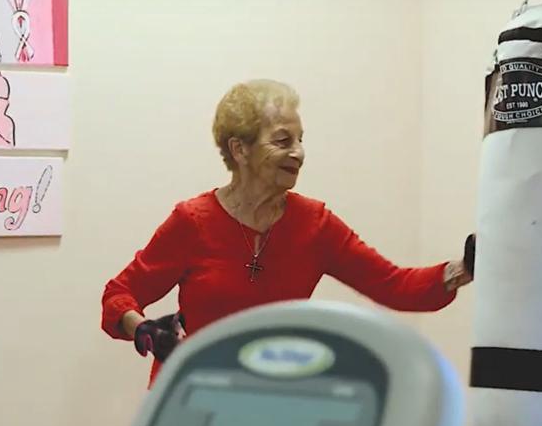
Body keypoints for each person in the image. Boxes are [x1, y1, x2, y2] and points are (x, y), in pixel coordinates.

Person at [101, 79, 475, 386]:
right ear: (240, 150)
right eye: (283, 141)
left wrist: (463, 269)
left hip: (276, 399)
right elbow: (119, 294)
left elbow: (394, 285)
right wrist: (145, 330)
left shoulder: (315, 224)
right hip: (193, 396)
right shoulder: (193, 221)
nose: (299, 152)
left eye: (300, 140)